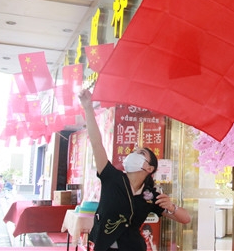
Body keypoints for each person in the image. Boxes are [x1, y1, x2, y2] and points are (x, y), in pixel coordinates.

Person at [78, 89, 190, 250]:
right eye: (134, 152)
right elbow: (96, 143)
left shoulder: (150, 195)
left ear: (149, 168)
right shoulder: (111, 177)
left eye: (141, 153)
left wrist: (172, 207)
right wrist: (88, 108)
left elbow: (185, 219)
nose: (134, 154)